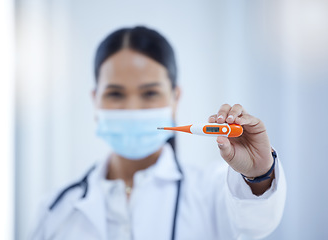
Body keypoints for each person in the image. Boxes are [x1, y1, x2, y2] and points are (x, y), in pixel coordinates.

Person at [31, 26, 286, 240]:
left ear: (175, 99)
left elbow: (255, 223)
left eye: (150, 93)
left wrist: (258, 174)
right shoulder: (57, 209)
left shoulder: (212, 192)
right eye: (115, 94)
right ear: (95, 99)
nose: (132, 108)